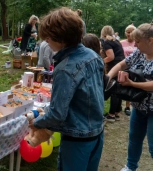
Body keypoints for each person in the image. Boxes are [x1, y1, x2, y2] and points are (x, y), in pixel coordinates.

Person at [32, 7, 104, 171]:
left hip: (77, 139)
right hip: (97, 132)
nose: (47, 42)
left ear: (60, 38)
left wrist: (36, 123)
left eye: (48, 38)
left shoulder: (65, 69)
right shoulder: (93, 56)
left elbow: (57, 114)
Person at [106, 23, 153, 171]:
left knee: (152, 146)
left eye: (138, 42)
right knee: (134, 139)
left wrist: (132, 84)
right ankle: (130, 166)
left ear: (150, 40)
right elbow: (121, 65)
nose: (135, 45)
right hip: (138, 106)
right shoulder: (139, 53)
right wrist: (108, 77)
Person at [101, 25, 125, 122]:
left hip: (114, 67)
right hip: (122, 65)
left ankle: (111, 115)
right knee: (118, 89)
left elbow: (111, 57)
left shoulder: (107, 42)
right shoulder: (116, 41)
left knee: (113, 90)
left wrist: (100, 61)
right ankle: (116, 112)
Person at [120, 25, 137, 116]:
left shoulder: (137, 43)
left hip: (134, 69)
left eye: (131, 32)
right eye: (128, 32)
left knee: (130, 87)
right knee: (121, 85)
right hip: (124, 67)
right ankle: (118, 106)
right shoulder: (121, 43)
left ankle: (127, 106)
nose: (129, 34)